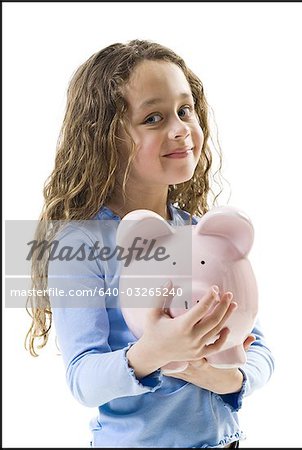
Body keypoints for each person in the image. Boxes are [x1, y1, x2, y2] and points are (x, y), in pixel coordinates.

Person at [25, 39, 274, 448]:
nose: (180, 129)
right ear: (105, 138)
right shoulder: (81, 243)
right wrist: (155, 351)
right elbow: (82, 378)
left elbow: (258, 345)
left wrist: (227, 378)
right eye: (154, 118)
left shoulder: (198, 231)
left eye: (185, 110)